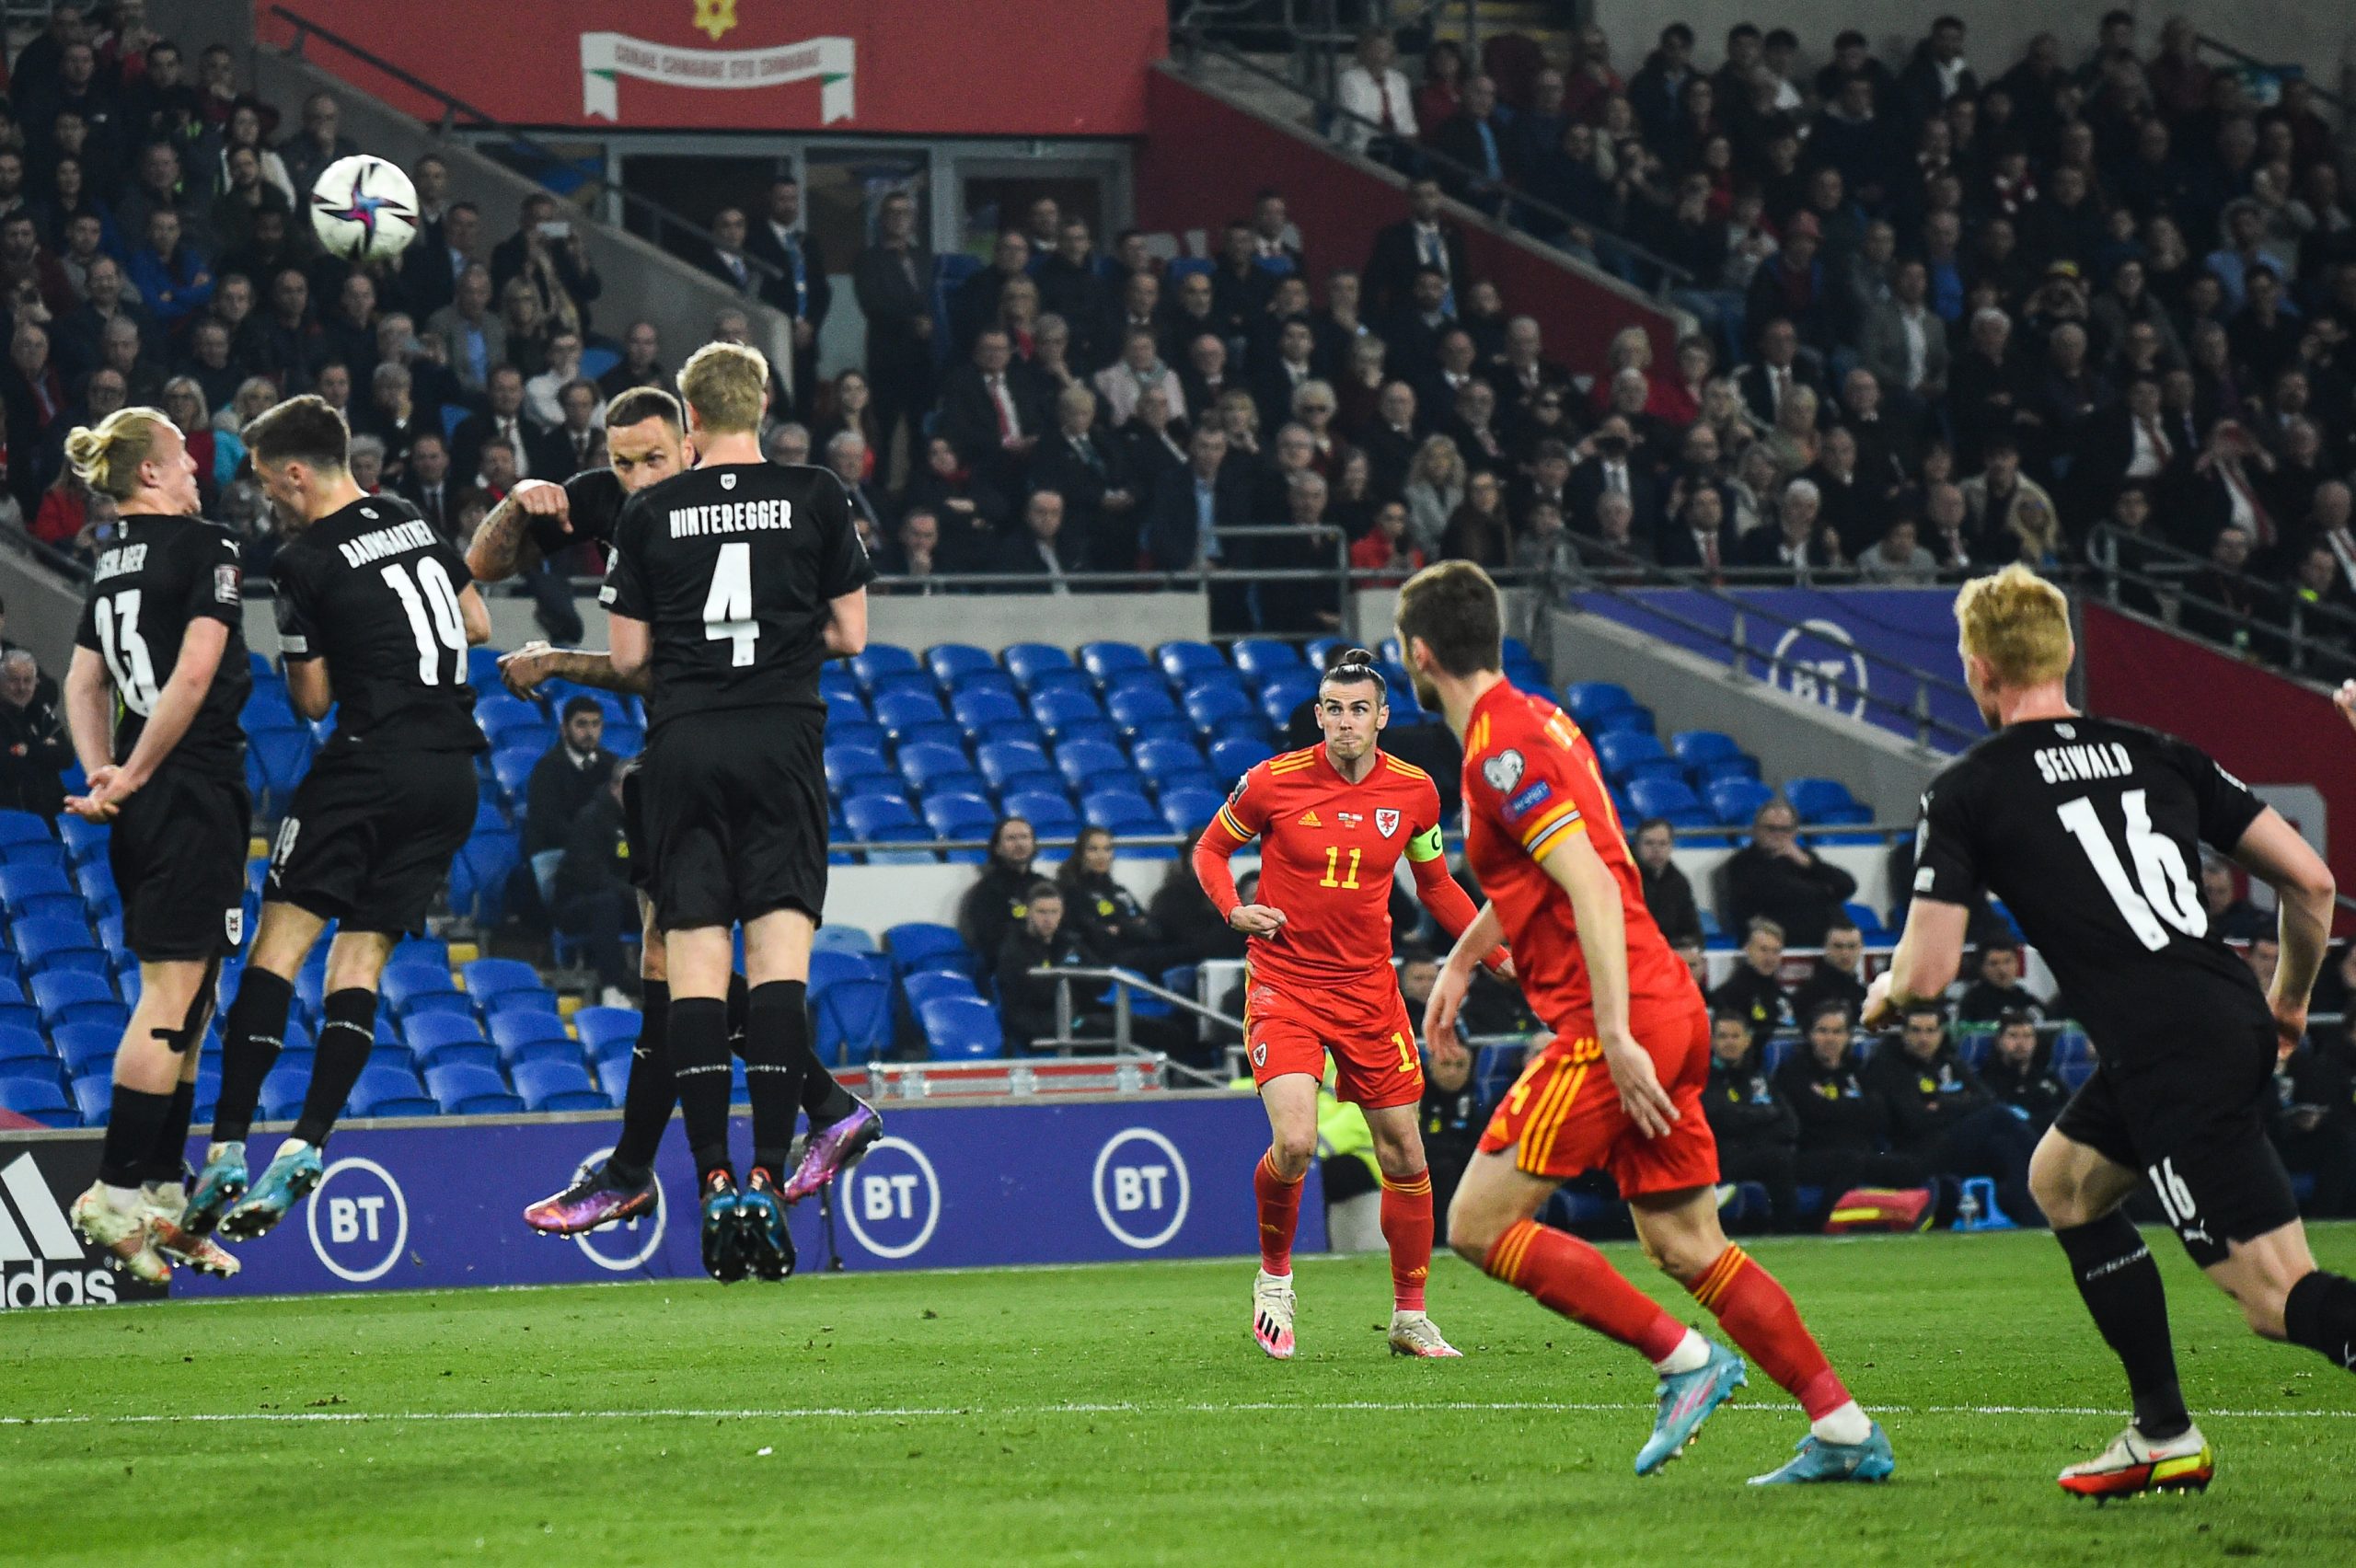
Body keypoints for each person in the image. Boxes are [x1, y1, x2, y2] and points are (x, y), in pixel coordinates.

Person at [1867, 564, 2356, 1498]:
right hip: (2215, 1020)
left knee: (2273, 1296)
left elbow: (1925, 975)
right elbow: (2313, 883)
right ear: (2066, 655)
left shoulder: (1968, 789)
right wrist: (2287, 1001)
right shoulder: (2158, 751)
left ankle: (2168, 1430)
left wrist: (1889, 995)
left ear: (1977, 670)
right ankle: (2161, 1431)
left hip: (2170, 1052)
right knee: (2062, 1182)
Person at [1403, 559, 1890, 1485]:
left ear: (1417, 655)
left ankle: (1686, 1362)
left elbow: (1587, 879)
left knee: (1474, 1224)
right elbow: (1567, 864)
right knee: (1684, 1243)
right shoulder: (1543, 721)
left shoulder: (1497, 749)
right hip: (1669, 1004)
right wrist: (1465, 958)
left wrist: (1614, 1033)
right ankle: (1842, 1428)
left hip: (1614, 1019)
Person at [480, 388, 876, 1234]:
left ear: (692, 444)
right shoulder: (624, 501)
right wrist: (518, 503)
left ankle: (641, 1167)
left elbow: (671, 666)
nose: (633, 478)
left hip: (704, 745)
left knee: (677, 968)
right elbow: (480, 566)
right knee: (677, 968)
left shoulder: (707, 514)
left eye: (652, 460)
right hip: (692, 756)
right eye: (620, 462)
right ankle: (810, 1109)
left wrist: (558, 660)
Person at [184, 397, 493, 1243]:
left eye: (265, 484)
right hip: (450, 778)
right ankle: (308, 1143)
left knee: (278, 950)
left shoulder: (302, 559)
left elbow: (313, 699)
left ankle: (226, 1151)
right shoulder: (406, 515)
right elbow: (477, 621)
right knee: (358, 961)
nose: (265, 502)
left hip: (369, 764)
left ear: (295, 473)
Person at [1193, 651, 1511, 1361]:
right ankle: (1275, 1280)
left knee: (1403, 1149)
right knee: (1297, 1142)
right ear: (1319, 715)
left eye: (1358, 709)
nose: (1345, 723)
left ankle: (1410, 1316)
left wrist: (1497, 955)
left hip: (1370, 992)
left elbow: (1436, 887)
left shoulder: (1417, 792)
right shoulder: (1270, 783)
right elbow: (1210, 852)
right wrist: (1233, 908)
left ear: (1382, 717)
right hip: (1285, 985)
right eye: (1333, 709)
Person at [54, 408, 247, 1284]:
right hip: (188, 787)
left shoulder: (111, 563)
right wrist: (130, 773)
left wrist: (104, 774)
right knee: (172, 999)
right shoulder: (205, 546)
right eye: (184, 461)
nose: (197, 472)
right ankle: (115, 1190)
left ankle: (166, 1197)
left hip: (152, 796)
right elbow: (195, 674)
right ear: (151, 477)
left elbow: (84, 678)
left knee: (195, 1002)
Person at [1863, 1001, 2038, 1225]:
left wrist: (1942, 1103)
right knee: (1998, 1116)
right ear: (1904, 1033)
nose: (1923, 1038)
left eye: (1930, 1030)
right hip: (1919, 1150)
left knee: (2005, 1146)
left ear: (1940, 1033)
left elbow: (1985, 1097)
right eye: (1916, 1030)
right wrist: (1960, 1104)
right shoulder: (1890, 1066)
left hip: (1955, 1143)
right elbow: (1915, 1119)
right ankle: (2049, 1165)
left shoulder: (1948, 1061)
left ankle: (2034, 1222)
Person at [1773, 1000, 1928, 1199]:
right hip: (1812, 1155)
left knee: (1909, 1165)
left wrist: (1832, 1106)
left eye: (1837, 1032)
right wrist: (1854, 1108)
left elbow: (1879, 1114)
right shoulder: (1794, 1072)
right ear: (1809, 1035)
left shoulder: (1857, 1071)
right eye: (1823, 1031)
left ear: (1848, 1036)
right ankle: (1824, 1222)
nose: (1830, 1039)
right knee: (1849, 1162)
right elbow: (1810, 1114)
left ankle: (1903, 1219)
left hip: (1861, 1153)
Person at [1705, 1009, 1801, 1233]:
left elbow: (1790, 1124)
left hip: (1758, 1154)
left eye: (1735, 1036)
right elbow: (1722, 1119)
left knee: (1781, 1158)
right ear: (1712, 1042)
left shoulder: (1758, 1078)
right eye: (1723, 1036)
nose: (1730, 1042)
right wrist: (1766, 1115)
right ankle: (1786, 1230)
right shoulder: (1706, 1078)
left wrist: (1748, 1120)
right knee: (1777, 1158)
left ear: (1748, 1040)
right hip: (1723, 1161)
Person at [1716, 799, 1858, 947]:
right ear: (1756, 829)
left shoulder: (1805, 859)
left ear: (1794, 832)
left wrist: (1809, 863)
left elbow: (1847, 886)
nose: (1777, 834)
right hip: (1776, 944)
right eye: (1771, 828)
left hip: (1821, 944)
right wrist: (1823, 891)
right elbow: (1779, 894)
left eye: (1784, 829)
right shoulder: (1741, 863)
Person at [1055, 827, 1185, 981]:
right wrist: (1132, 926)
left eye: (1107, 849)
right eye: (1093, 849)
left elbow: (1153, 931)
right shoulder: (1072, 892)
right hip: (1107, 960)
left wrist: (1121, 928)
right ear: (1081, 854)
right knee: (1183, 954)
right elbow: (1099, 938)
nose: (1101, 856)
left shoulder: (1120, 892)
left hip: (1141, 952)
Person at [994, 881, 1097, 1052]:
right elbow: (1038, 992)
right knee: (1118, 1029)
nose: (1048, 919)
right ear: (1028, 912)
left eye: (1053, 912)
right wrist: (1074, 978)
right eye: (1041, 912)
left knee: (1136, 1023)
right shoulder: (1014, 948)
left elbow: (1101, 981)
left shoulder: (1068, 942)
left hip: (1071, 1018)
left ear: (1062, 913)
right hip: (1037, 1026)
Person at [523, 695, 617, 858]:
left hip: (601, 851)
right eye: (581, 724)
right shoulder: (547, 769)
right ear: (564, 729)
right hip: (558, 854)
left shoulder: (611, 764)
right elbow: (549, 824)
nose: (589, 732)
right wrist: (594, 842)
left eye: (595, 724)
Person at [0, 651, 70, 818]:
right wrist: (45, 750)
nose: (21, 687)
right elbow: (10, 768)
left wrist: (29, 751)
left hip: (53, 808)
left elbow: (67, 755)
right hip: (13, 813)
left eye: (28, 680)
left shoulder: (40, 712)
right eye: (14, 680)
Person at [1980, 1009, 2071, 1134]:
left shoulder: (2047, 1077)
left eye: (2027, 1036)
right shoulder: (1987, 1079)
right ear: (1999, 1041)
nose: (2021, 1043)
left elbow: (2070, 1110)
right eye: (2013, 1036)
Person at [1710, 917, 1792, 1052]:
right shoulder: (1728, 995)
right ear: (1748, 949)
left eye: (1775, 951)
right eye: (1764, 950)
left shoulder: (1782, 995)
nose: (1770, 957)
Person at [1790, 915, 1868, 1026]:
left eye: (1852, 946)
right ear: (1826, 948)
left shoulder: (1865, 994)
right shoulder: (1808, 995)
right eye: (1838, 946)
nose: (1845, 953)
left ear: (1861, 948)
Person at [1631, 817, 1700, 944]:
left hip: (1667, 951)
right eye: (1649, 843)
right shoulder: (1625, 876)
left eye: (1663, 844)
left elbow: (1692, 929)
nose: (1656, 850)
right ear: (1637, 846)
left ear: (1671, 846)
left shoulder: (1678, 882)